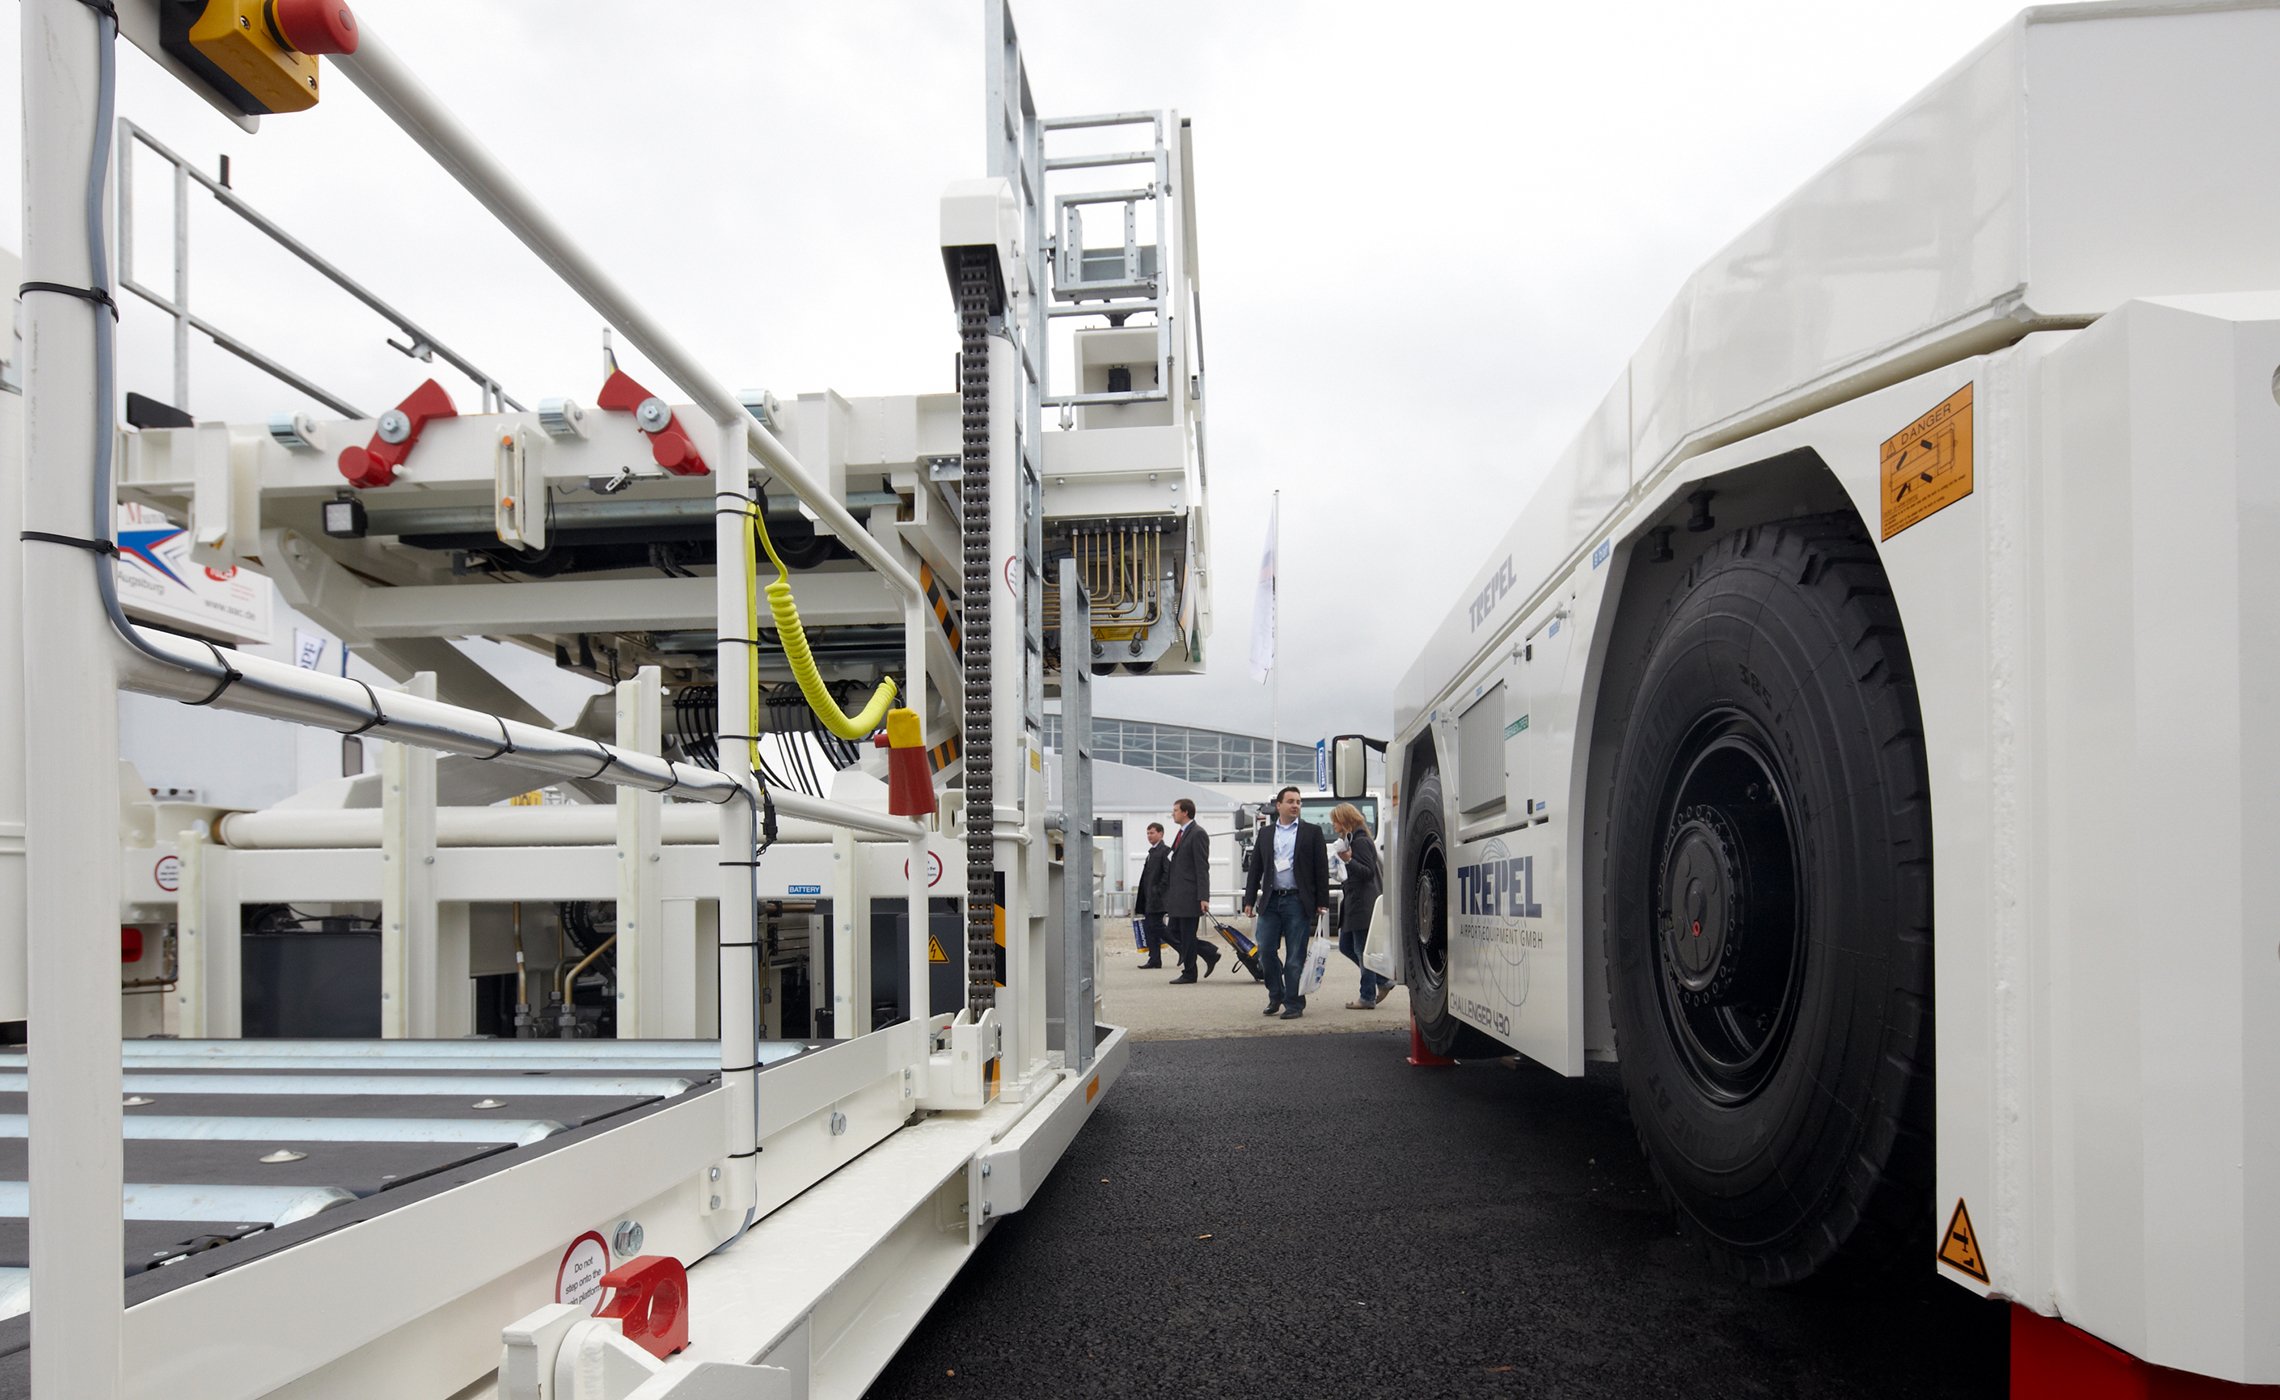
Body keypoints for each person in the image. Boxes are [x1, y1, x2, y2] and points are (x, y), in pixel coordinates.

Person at [1242, 785, 1329, 1019]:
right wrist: (1249, 899)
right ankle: (1276, 994)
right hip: (1270, 901)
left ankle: (1294, 1003)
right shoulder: (1267, 833)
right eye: (1290, 801)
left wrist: (1322, 901)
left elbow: (1321, 869)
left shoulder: (1312, 832)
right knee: (1265, 952)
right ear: (1278, 806)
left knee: (1294, 957)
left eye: (1298, 802)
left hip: (1297, 902)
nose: (1295, 805)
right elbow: (1256, 869)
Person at [1330, 802, 1392, 1008]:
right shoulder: (1352, 840)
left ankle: (1367, 997)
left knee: (1360, 949)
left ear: (1344, 820)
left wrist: (1348, 860)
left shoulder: (1361, 841)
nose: (1333, 826)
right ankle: (1382, 980)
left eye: (1335, 821)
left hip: (1362, 905)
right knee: (1346, 946)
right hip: (1355, 904)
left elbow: (1367, 873)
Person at [1163, 798, 1219, 984]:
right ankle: (1208, 952)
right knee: (1173, 932)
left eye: (1176, 810)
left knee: (1186, 934)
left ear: (1185, 812)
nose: (1173, 813)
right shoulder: (1181, 833)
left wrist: (1203, 896)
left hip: (1190, 894)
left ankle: (1190, 972)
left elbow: (1202, 867)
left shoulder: (1197, 834)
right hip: (1178, 895)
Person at [1135, 821, 1172, 969]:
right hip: (1149, 898)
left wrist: (1158, 890)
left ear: (1161, 834)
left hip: (1158, 899)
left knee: (1156, 926)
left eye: (1152, 833)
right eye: (1148, 833)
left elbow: (1167, 873)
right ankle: (1154, 958)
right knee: (1151, 927)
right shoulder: (1151, 853)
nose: (1149, 836)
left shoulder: (1165, 851)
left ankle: (1181, 947)